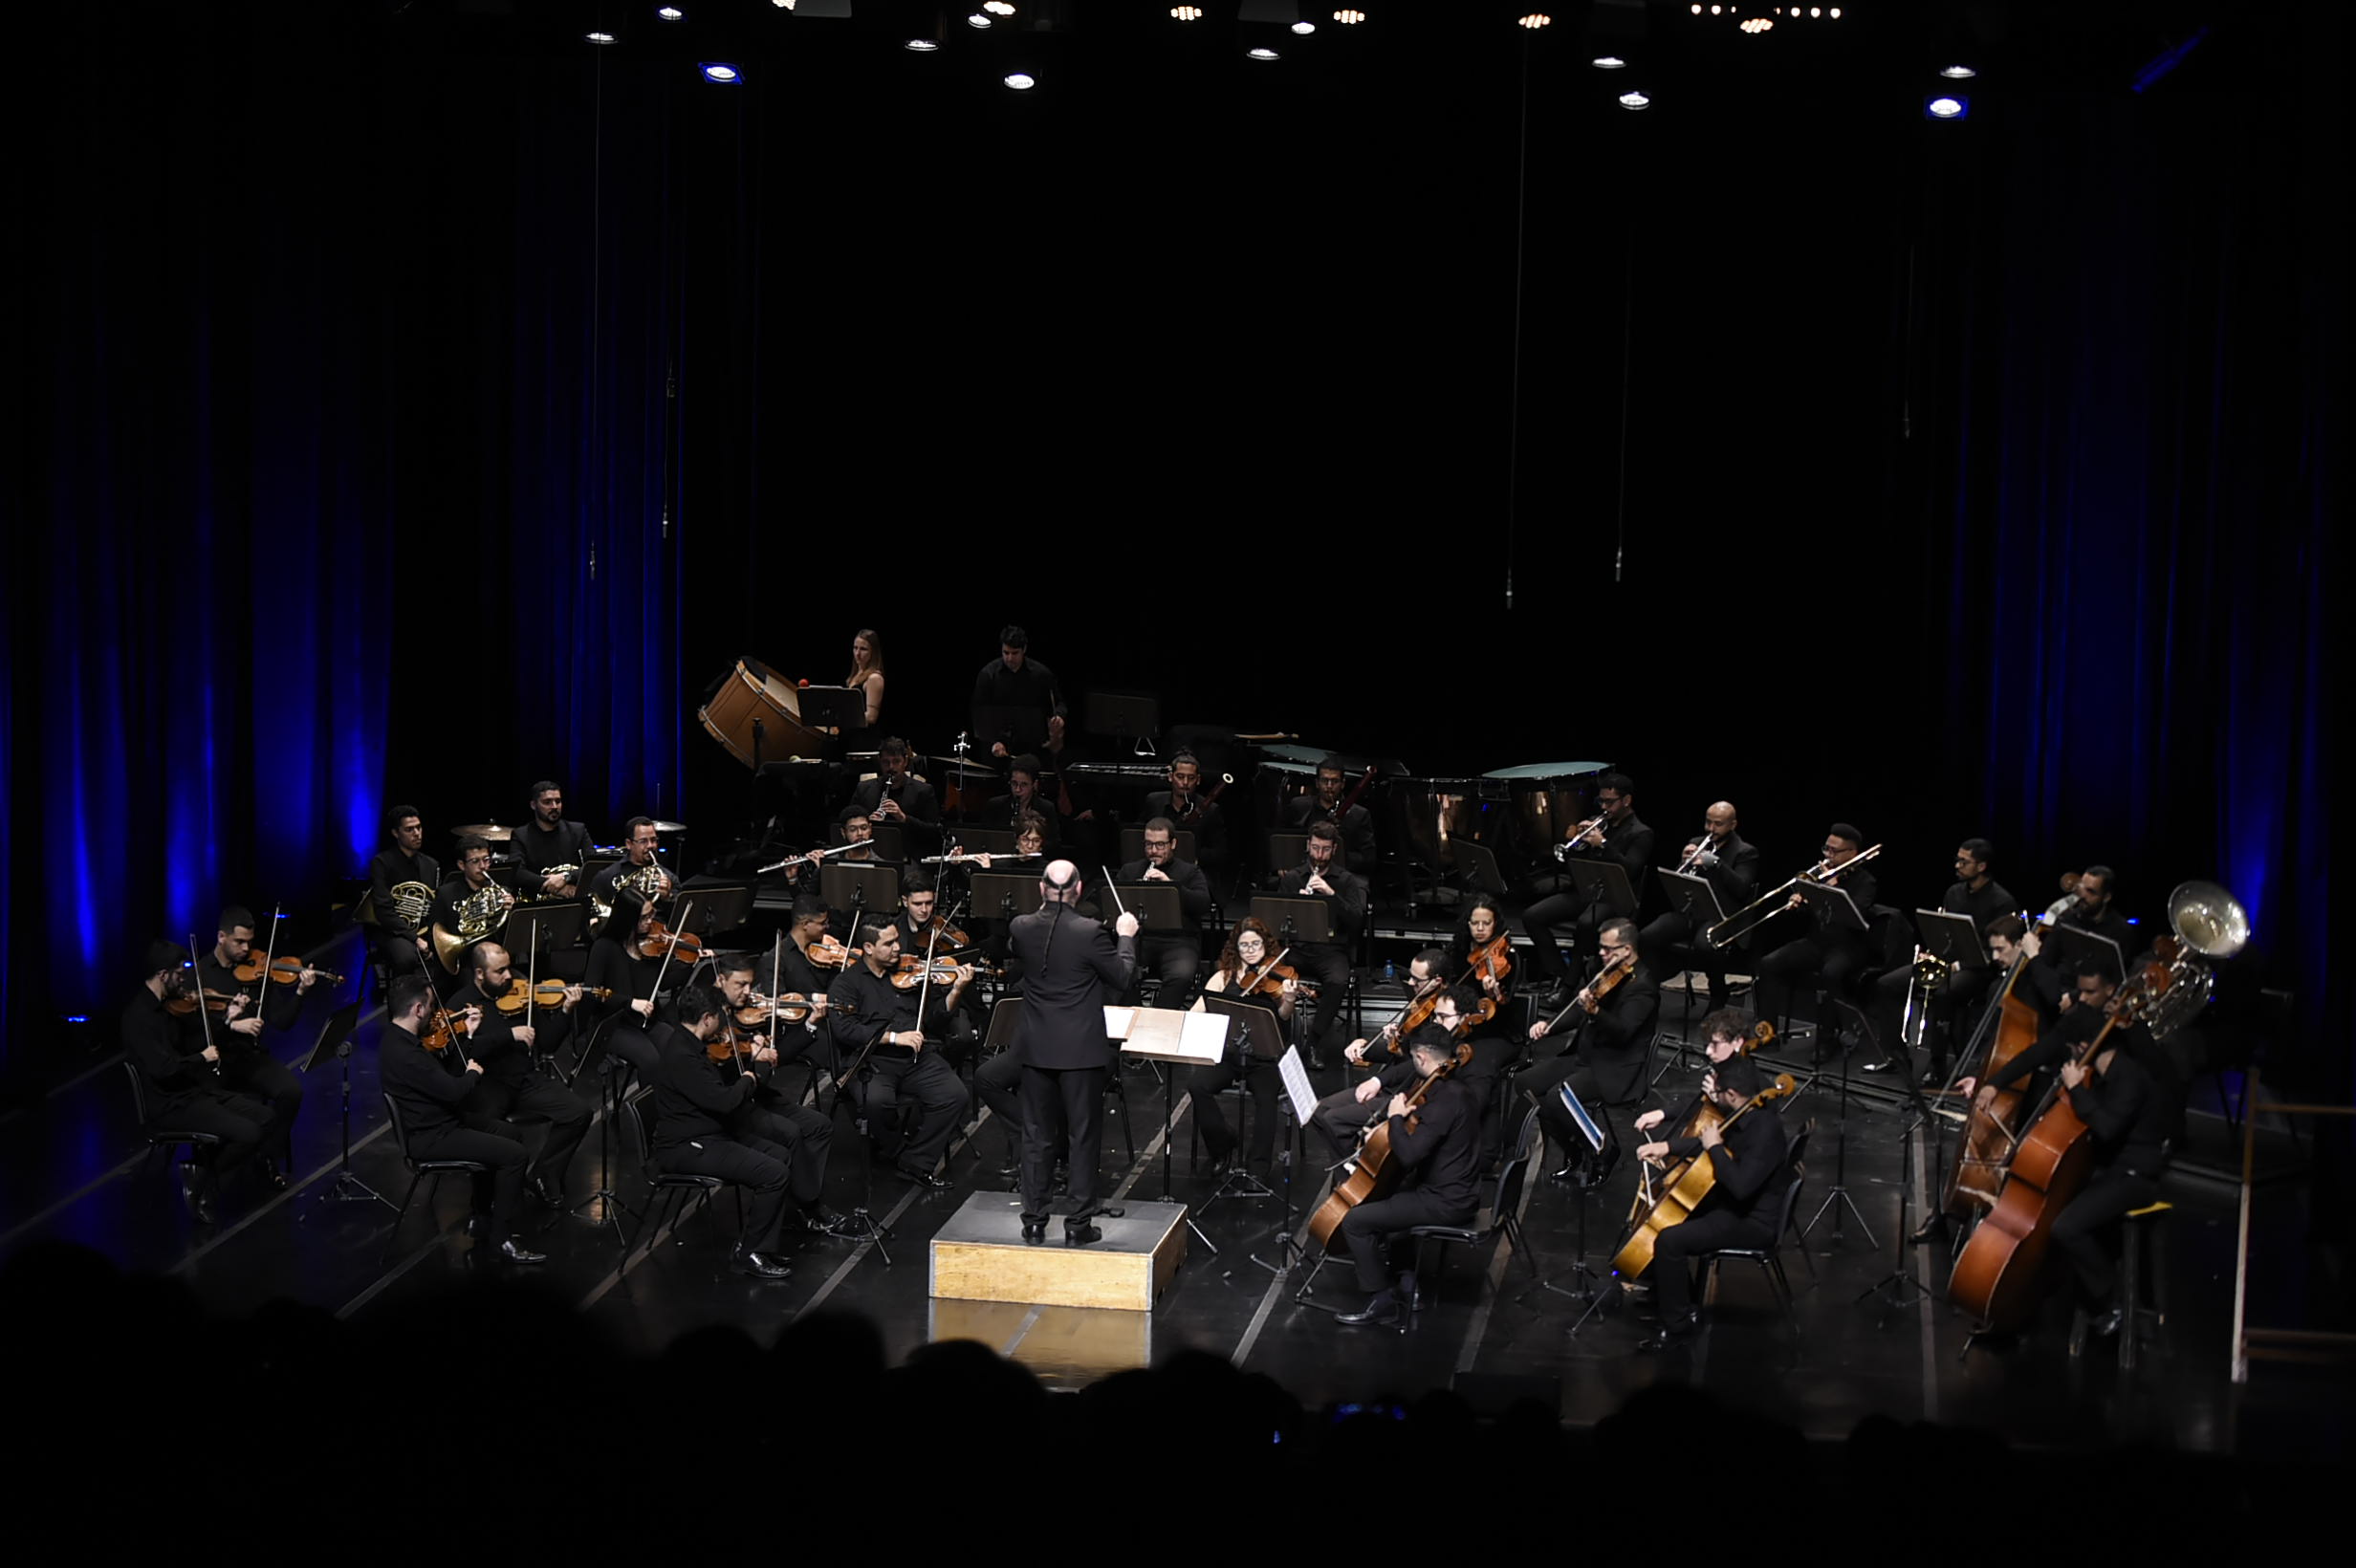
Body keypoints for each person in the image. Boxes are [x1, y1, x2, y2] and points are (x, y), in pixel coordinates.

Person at [1007, 861, 1139, 1244]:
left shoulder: (1021, 927)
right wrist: (1125, 936)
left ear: (1041, 888)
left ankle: (1034, 1221)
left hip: (1036, 1046)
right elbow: (1122, 976)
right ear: (1079, 890)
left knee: (1036, 1134)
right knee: (1083, 1136)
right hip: (1080, 1050)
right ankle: (1078, 1224)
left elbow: (1021, 950)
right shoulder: (1090, 932)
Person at [378, 975, 546, 1264]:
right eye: (431, 1006)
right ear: (418, 1009)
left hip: (441, 1122)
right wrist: (473, 1074)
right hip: (432, 1137)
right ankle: (501, 1238)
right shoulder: (408, 1055)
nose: (435, 1013)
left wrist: (467, 1037)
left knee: (510, 1133)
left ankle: (482, 1217)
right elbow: (454, 1090)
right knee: (516, 1156)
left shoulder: (397, 1039)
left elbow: (444, 1076)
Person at [1629, 1055, 1791, 1348]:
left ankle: (1678, 1326)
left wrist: (1715, 1148)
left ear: (1733, 1094)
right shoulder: (1747, 1112)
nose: (1715, 1098)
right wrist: (1667, 1146)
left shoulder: (1764, 1131)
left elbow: (1740, 1186)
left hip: (1752, 1221)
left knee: (1670, 1241)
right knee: (1664, 1213)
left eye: (1719, 1093)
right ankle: (1675, 1298)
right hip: (1735, 1206)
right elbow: (1711, 1139)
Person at [646, 985, 798, 1279]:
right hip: (687, 1146)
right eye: (720, 1016)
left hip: (709, 1134)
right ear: (707, 1018)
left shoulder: (689, 1042)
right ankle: (748, 1253)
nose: (723, 1024)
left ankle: (760, 1244)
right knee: (774, 1174)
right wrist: (748, 1078)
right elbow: (723, 1102)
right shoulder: (682, 1056)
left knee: (780, 1154)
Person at [1332, 1027, 1482, 1328]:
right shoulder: (1458, 1090)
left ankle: (1382, 1301)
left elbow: (1411, 1155)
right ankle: (1408, 1286)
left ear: (1422, 1057)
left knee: (1355, 1221)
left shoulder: (1444, 1102)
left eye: (1413, 1057)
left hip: (1446, 1201)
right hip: (1457, 1190)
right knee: (1392, 1199)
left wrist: (1396, 1118)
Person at [123, 942, 275, 1222]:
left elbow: (199, 1037)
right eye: (179, 976)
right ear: (163, 975)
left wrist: (227, 1019)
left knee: (265, 1117)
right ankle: (207, 1182)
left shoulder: (171, 1006)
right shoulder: (139, 1018)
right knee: (249, 1133)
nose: (184, 982)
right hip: (170, 1104)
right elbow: (163, 1069)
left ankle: (202, 1171)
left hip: (196, 1091)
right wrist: (201, 1058)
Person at [828, 919, 974, 1187]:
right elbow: (845, 1030)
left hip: (915, 1058)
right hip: (872, 1061)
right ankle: (896, 1150)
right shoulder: (847, 983)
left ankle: (916, 1162)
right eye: (889, 943)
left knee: (955, 1095)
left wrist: (955, 991)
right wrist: (894, 1038)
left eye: (897, 940)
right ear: (868, 948)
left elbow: (934, 1019)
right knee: (875, 1103)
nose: (898, 947)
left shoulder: (911, 973)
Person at [446, 943, 594, 1208]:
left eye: (509, 968)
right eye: (499, 971)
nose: (508, 976)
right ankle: (483, 1202)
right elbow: (459, 1055)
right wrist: (508, 1035)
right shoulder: (460, 1005)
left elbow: (547, 1043)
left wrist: (566, 1011)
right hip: (487, 1084)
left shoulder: (521, 993)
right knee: (491, 1136)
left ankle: (543, 1175)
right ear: (479, 974)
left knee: (579, 1113)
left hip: (525, 1079)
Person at [1520, 918, 1659, 1186]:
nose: (1601, 953)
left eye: (1608, 949)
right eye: (1601, 947)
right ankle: (1574, 1150)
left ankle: (1603, 1152)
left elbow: (1623, 1032)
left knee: (1557, 1097)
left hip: (1614, 1067)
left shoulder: (1643, 987)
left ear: (1627, 950)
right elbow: (1579, 1011)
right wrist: (1550, 1026)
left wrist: (1595, 1011)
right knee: (1525, 1083)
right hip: (1585, 1057)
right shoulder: (1607, 971)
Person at [1869, 837, 2016, 1083]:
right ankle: (1897, 1057)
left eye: (1964, 862)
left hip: (1979, 970)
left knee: (1944, 991)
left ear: (1982, 866)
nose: (1957, 865)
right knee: (1887, 984)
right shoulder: (1954, 893)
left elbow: (1998, 951)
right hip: (1947, 962)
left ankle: (1937, 1067)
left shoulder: (2002, 901)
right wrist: (1933, 952)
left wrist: (1958, 965)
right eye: (1957, 860)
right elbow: (1944, 931)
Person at [193, 905, 316, 1186]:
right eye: (239, 942)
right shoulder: (201, 975)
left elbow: (282, 1021)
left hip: (249, 1058)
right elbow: (194, 1031)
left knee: (291, 1092)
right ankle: (221, 1166)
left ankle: (266, 1155)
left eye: (249, 941)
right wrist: (229, 1023)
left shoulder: (258, 972)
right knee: (239, 1111)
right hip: (216, 1064)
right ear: (221, 937)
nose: (246, 949)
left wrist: (300, 992)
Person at [1309, 975, 1472, 1164]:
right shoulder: (1427, 1021)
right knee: (1319, 1111)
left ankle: (1355, 1170)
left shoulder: (1460, 1051)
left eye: (1443, 1017)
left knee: (1333, 1119)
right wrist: (1372, 1049)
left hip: (1407, 1101)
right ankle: (1353, 1165)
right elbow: (1409, 1057)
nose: (1436, 1021)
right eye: (1436, 1016)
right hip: (1394, 1088)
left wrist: (1393, 1118)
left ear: (1464, 1018)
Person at [1518, 773, 1653, 1000]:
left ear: (1626, 800)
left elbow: (1631, 870)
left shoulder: (1641, 833)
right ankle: (1560, 973)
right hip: (1586, 892)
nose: (1604, 807)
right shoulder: (1598, 822)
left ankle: (1568, 987)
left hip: (1615, 898)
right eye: (1601, 801)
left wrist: (1603, 844)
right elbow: (1575, 866)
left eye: (1610, 802)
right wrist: (1575, 843)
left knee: (1586, 923)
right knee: (1532, 916)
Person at [1753, 822, 1880, 1058]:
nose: (1828, 855)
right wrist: (1799, 903)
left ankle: (1827, 1040)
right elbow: (1812, 914)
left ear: (1852, 853)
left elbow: (1855, 918)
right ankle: (1767, 1034)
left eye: (1835, 851)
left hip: (1848, 947)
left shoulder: (1866, 882)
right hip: (1817, 942)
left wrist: (1834, 890)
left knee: (1830, 974)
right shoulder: (1820, 874)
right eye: (1826, 849)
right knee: (1769, 964)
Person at [1189, 917, 1299, 1173]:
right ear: (1235, 948)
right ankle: (1222, 1145)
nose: (1250, 950)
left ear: (1265, 945)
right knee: (1197, 1085)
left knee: (1266, 1098)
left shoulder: (1276, 976)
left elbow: (1284, 1015)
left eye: (1256, 944)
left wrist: (1290, 999)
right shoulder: (1222, 977)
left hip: (1264, 1058)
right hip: (1229, 1054)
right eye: (1244, 945)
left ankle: (1258, 1165)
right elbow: (1197, 1012)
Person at [1637, 800, 1758, 1013]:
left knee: (1705, 944)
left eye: (1718, 824)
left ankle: (1718, 991)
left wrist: (1717, 864)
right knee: (1648, 935)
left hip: (1722, 915)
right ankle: (1649, 988)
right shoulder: (1696, 842)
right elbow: (1679, 881)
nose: (1711, 829)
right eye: (1708, 822)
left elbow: (1741, 889)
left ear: (1733, 824)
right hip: (1693, 911)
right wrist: (1682, 863)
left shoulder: (1745, 852)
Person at [1272, 820, 1367, 1068]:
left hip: (1331, 950)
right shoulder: (1293, 878)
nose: (1319, 855)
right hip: (1297, 948)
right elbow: (1274, 920)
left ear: (1334, 849)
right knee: (1266, 970)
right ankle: (1275, 1041)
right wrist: (1296, 906)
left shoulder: (1345, 881)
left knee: (1338, 980)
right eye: (1315, 848)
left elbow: (1357, 921)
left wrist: (1331, 895)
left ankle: (1313, 1042)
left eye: (1325, 849)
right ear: (1308, 846)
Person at [1114, 817, 1211, 1004]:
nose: (1153, 851)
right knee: (1119, 971)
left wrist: (1172, 886)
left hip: (1179, 941)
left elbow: (1203, 904)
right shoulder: (1130, 871)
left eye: (1160, 845)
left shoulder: (1190, 872)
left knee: (1181, 975)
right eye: (1149, 844)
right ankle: (1134, 1013)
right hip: (1140, 938)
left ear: (1172, 844)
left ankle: (1161, 1015)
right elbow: (1113, 904)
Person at [426, 836, 517, 992]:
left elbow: (510, 939)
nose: (483, 866)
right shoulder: (446, 894)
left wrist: (511, 914)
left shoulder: (501, 893)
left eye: (486, 860)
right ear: (461, 865)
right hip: (463, 963)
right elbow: (433, 936)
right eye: (475, 861)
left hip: (495, 962)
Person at [364, 804, 439, 984]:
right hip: (392, 931)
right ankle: (402, 997)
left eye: (419, 828)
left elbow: (434, 905)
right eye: (409, 829)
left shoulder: (431, 864)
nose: (417, 833)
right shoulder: (382, 863)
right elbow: (384, 911)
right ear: (395, 833)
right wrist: (415, 938)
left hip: (424, 929)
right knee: (406, 958)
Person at [971, 624, 1064, 760]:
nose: (1009, 658)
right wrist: (994, 742)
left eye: (1015, 653)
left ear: (1024, 649)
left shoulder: (1041, 674)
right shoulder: (988, 675)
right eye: (1006, 653)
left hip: (1033, 749)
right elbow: (980, 715)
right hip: (997, 748)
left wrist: (1059, 716)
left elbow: (1059, 703)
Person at [1281, 755, 1376, 875]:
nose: (1329, 786)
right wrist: (1284, 864)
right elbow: (1282, 842)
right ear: (1317, 783)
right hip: (1303, 872)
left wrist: (1336, 856)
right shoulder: (1299, 806)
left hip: (1342, 876)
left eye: (1335, 781)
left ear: (1342, 784)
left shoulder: (1359, 814)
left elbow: (1368, 858)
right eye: (1324, 780)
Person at [1144, 751, 1228, 876]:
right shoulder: (1154, 802)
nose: (1185, 783)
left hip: (1194, 873)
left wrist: (1191, 854)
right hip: (1157, 868)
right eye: (1180, 777)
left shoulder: (1211, 810)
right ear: (1170, 777)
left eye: (1191, 778)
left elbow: (1220, 853)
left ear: (1198, 780)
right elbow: (1138, 837)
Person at [841, 736, 940, 838]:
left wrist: (904, 818)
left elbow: (934, 831)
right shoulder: (863, 789)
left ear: (905, 761)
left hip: (909, 847)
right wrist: (866, 823)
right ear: (879, 761)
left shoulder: (923, 791)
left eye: (896, 761)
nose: (891, 767)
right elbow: (846, 823)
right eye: (886, 762)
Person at [513, 780, 590, 904]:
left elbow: (593, 866)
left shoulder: (578, 830)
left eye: (558, 801)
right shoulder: (521, 835)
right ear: (533, 805)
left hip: (575, 901)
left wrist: (566, 877)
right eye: (547, 802)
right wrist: (554, 886)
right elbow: (517, 872)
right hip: (538, 904)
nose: (554, 806)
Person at [588, 817, 677, 922]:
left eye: (653, 840)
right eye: (643, 841)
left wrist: (667, 897)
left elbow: (678, 917)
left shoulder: (669, 878)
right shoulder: (608, 876)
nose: (650, 845)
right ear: (629, 844)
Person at [982, 754, 1061, 853]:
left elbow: (1054, 843)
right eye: (1014, 783)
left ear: (1034, 784)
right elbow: (985, 839)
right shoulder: (995, 805)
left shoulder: (1046, 808)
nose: (1017, 790)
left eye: (1024, 784)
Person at [843, 627, 886, 743]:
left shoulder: (874, 678)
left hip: (863, 741)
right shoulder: (855, 676)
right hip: (850, 738)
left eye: (863, 649)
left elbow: (871, 717)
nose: (857, 653)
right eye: (855, 648)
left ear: (873, 652)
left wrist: (842, 717)